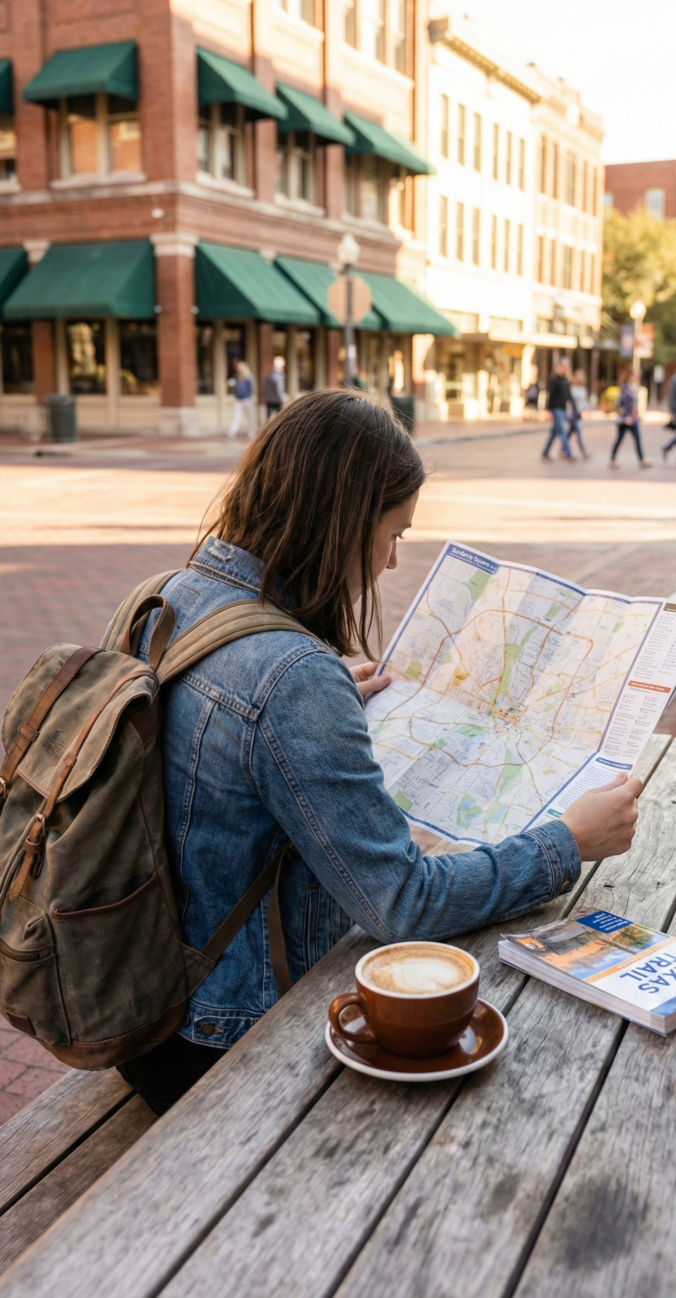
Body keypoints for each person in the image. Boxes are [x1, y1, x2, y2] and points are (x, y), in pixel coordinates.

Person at [116, 392, 641, 1114]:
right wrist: (568, 842)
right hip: (228, 1042)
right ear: (342, 521)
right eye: (393, 533)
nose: (393, 561)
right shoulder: (290, 677)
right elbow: (403, 903)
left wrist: (312, 711)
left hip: (147, 1007)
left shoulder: (165, 598)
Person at [610, 371, 651, 469]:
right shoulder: (624, 388)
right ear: (630, 376)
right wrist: (625, 416)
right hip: (625, 419)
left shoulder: (633, 387)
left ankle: (641, 460)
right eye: (635, 375)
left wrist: (637, 415)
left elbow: (634, 404)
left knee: (637, 439)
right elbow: (620, 404)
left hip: (633, 419)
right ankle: (612, 460)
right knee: (619, 439)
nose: (637, 377)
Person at [541, 359, 576, 460]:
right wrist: (548, 410)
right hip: (556, 409)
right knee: (563, 431)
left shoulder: (565, 380)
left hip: (563, 409)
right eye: (564, 367)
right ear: (559, 367)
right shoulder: (554, 379)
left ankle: (545, 451)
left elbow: (569, 395)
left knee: (554, 432)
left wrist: (574, 408)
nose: (565, 369)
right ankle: (568, 453)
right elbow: (550, 395)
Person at [227, 359, 257, 441]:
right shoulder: (237, 378)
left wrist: (250, 399)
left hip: (247, 400)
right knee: (236, 416)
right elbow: (236, 389)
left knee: (251, 417)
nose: (239, 370)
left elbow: (251, 390)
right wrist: (233, 387)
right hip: (238, 400)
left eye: (241, 369)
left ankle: (252, 432)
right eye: (239, 369)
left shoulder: (249, 378)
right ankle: (232, 431)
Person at [566, 368, 590, 459]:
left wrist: (587, 411)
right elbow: (569, 401)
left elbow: (584, 401)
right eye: (577, 377)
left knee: (570, 432)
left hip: (578, 413)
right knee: (578, 432)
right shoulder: (571, 388)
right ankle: (583, 450)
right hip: (572, 413)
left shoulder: (582, 389)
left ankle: (562, 448)